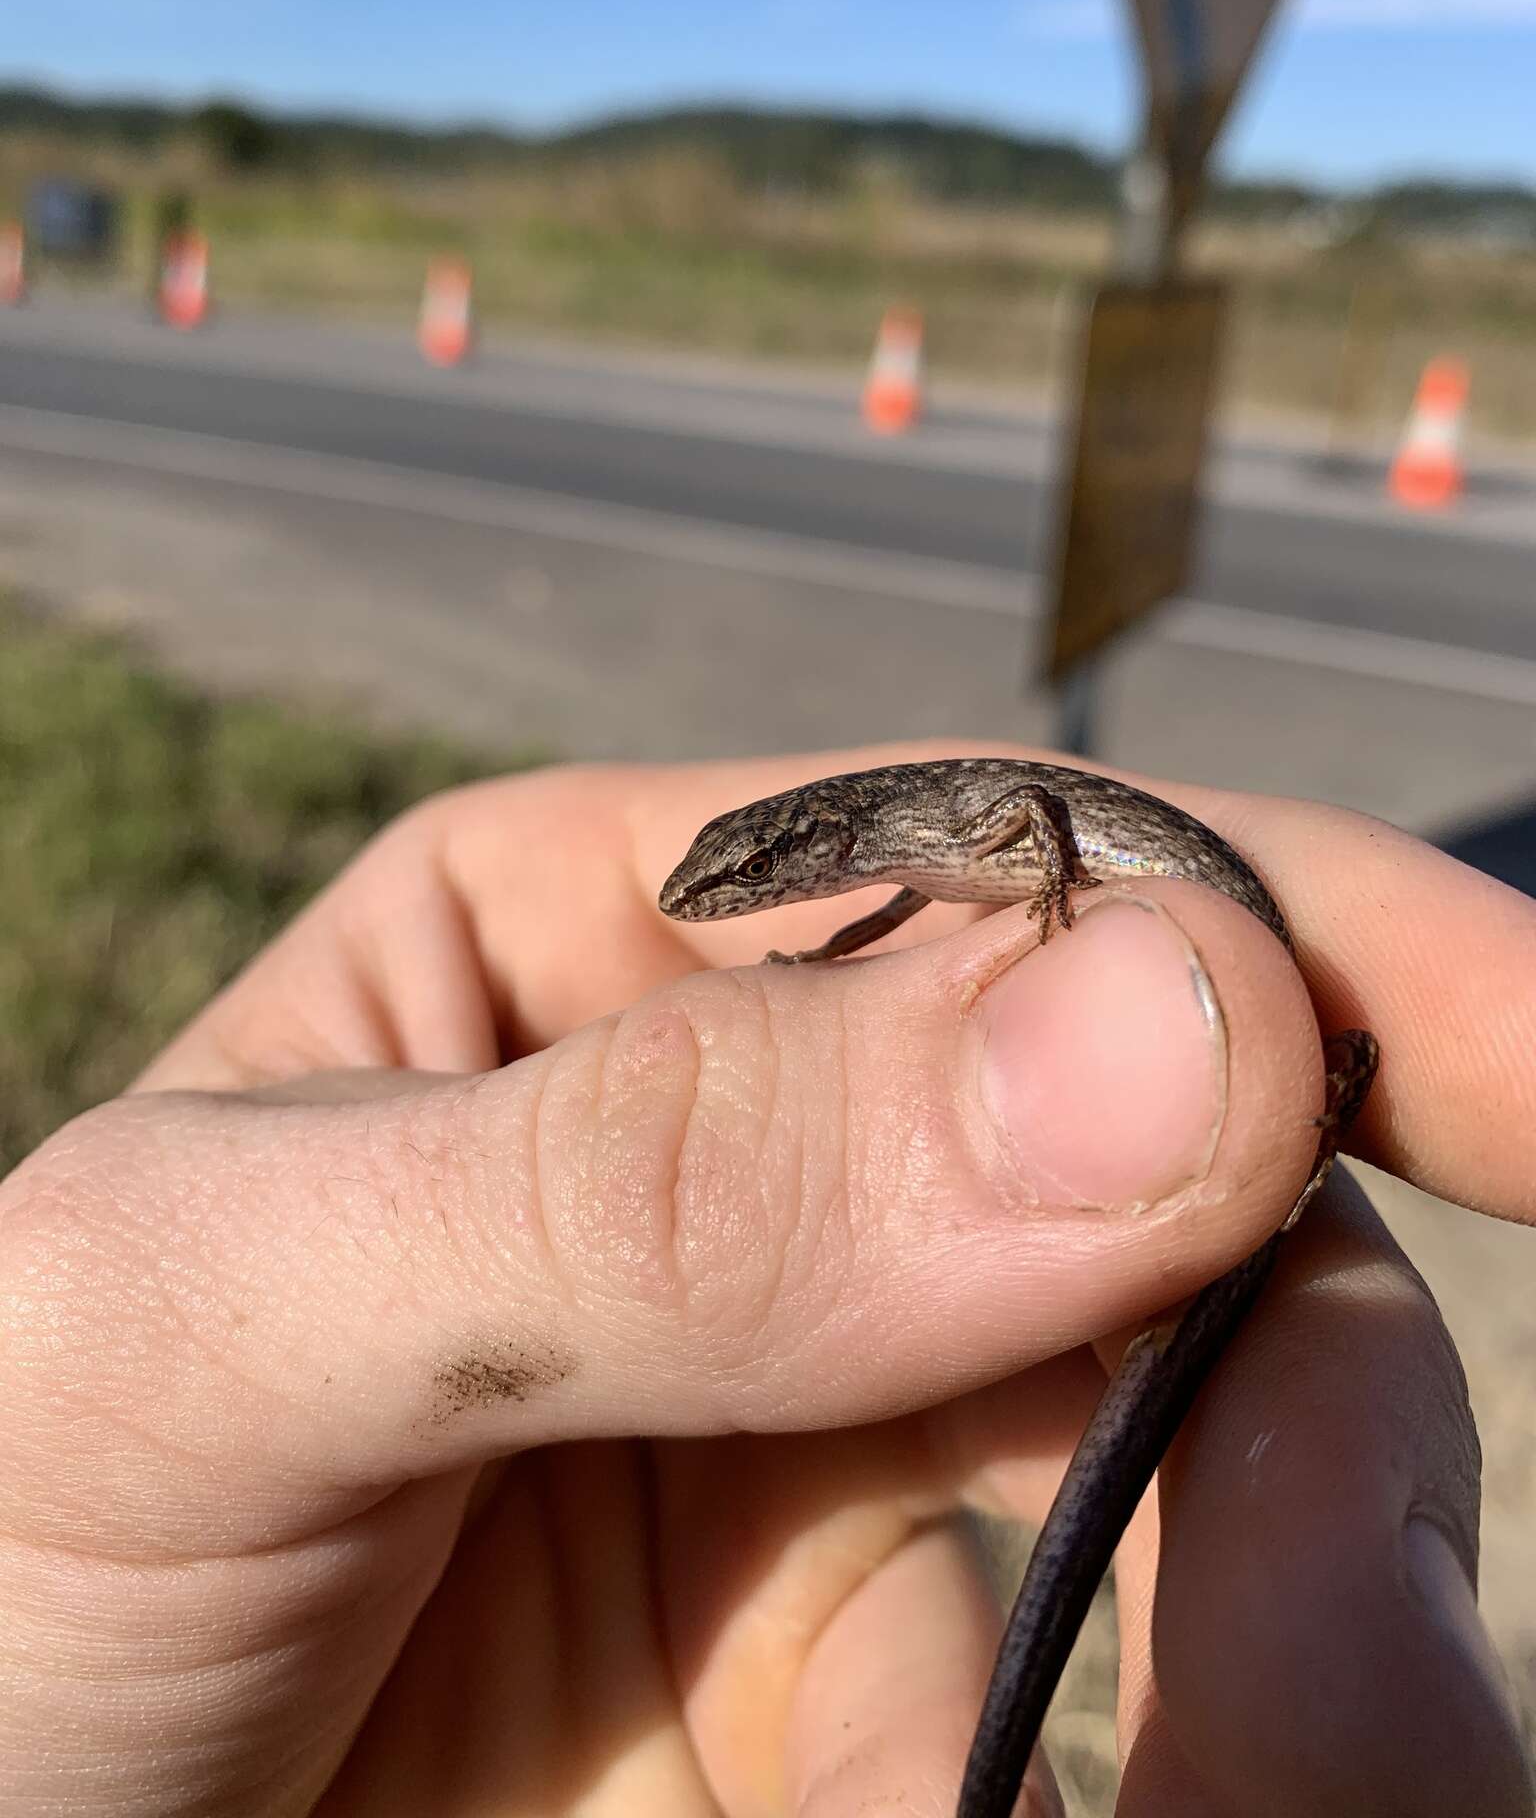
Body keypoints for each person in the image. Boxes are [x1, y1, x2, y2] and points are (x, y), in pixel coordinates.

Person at [1, 742, 1530, 1818]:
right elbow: (921, 887)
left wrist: (1059, 912)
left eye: (742, 880)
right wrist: (829, 966)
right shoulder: (890, 848)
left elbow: (1016, 817)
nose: (722, 896)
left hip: (1218, 947)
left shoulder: (935, 814)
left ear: (798, 844)